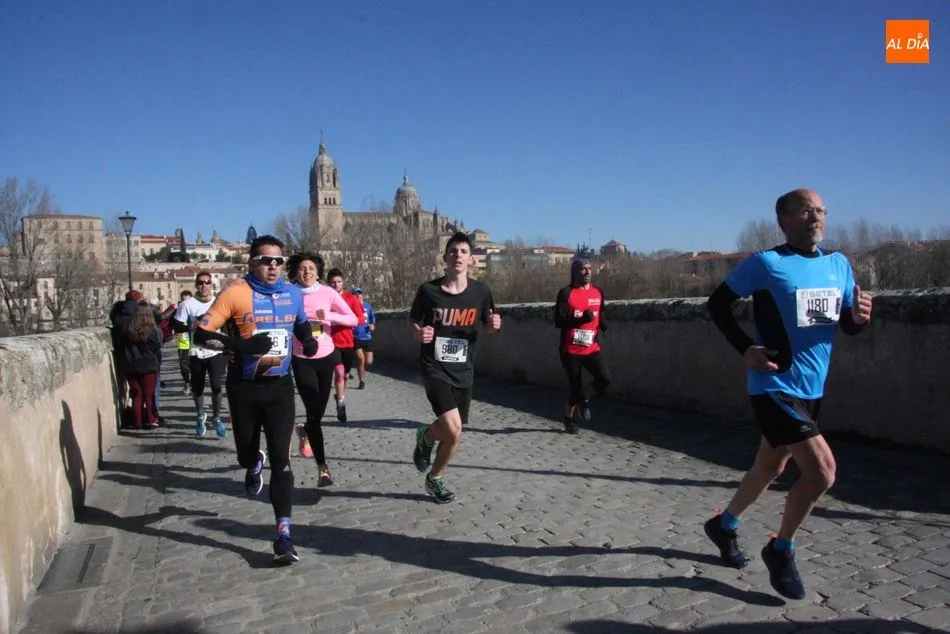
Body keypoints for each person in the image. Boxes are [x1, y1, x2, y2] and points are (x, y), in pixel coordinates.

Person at [703, 189, 873, 600]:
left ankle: (724, 525)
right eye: (805, 210)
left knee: (770, 466)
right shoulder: (767, 263)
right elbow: (718, 304)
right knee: (822, 472)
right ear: (783, 219)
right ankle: (781, 549)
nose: (815, 217)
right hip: (774, 386)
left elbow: (846, 324)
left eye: (820, 210)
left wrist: (858, 318)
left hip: (812, 389)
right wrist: (746, 348)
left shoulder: (838, 264)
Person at [195, 235, 318, 564]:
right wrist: (243, 346)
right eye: (266, 261)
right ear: (252, 263)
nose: (273, 266)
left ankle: (284, 535)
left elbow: (301, 325)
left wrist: (308, 342)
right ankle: (252, 461)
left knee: (283, 461)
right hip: (244, 388)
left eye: (279, 261)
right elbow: (201, 334)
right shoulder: (235, 293)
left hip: (280, 387)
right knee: (244, 455)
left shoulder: (292, 293)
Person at [410, 232, 502, 503]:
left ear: (471, 259)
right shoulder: (428, 291)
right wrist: (419, 333)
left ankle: (430, 456)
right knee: (453, 427)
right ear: (445, 258)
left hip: (464, 369)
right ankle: (435, 473)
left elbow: (489, 323)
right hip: (434, 367)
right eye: (453, 251)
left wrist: (494, 326)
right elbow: (414, 320)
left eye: (463, 252)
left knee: (453, 431)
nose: (458, 256)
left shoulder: (481, 292)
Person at [286, 253, 358, 486]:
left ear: (318, 271)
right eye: (302, 268)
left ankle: (305, 431)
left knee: (318, 411)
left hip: (326, 356)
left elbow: (353, 319)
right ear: (295, 272)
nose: (307, 272)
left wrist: (329, 316)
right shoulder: (289, 293)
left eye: (311, 268)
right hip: (302, 358)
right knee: (313, 413)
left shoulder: (327, 293)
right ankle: (322, 468)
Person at [553, 257, 611, 434]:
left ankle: (585, 398)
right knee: (574, 390)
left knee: (605, 379)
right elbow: (558, 321)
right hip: (571, 349)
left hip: (591, 347)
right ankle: (569, 419)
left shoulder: (598, 292)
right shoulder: (566, 293)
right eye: (583, 269)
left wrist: (602, 323)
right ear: (575, 272)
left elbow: (600, 312)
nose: (587, 272)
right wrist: (581, 320)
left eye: (589, 269)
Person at [173, 273, 228, 438]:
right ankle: (200, 415)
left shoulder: (219, 302)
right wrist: (190, 326)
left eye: (207, 282)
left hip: (216, 350)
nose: (204, 285)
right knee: (197, 387)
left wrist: (228, 345)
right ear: (196, 285)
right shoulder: (187, 304)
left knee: (217, 385)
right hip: (196, 351)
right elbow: (176, 326)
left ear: (212, 284)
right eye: (200, 283)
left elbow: (227, 325)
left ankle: (216, 418)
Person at [326, 268, 365, 422]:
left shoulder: (351, 298)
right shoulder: (324, 298)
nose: (336, 284)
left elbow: (361, 319)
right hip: (330, 342)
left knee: (346, 375)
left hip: (347, 342)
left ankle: (340, 396)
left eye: (339, 282)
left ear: (343, 282)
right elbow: (315, 318)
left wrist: (342, 320)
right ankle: (341, 404)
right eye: (332, 282)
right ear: (328, 283)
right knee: (339, 372)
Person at [117, 304, 163, 430]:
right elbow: (156, 347)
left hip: (131, 366)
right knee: (148, 395)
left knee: (136, 395)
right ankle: (150, 419)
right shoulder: (152, 331)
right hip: (148, 366)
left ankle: (137, 422)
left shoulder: (127, 330)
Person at [352, 287, 376, 390]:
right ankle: (362, 381)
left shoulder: (368, 306)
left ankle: (357, 364)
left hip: (367, 337)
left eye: (359, 293)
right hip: (355, 336)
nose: (358, 295)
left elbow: (372, 319)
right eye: (355, 293)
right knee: (361, 360)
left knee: (369, 361)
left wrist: (372, 325)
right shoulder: (350, 307)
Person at [175, 290, 194, 395]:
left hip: (195, 344)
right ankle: (187, 382)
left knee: (195, 367)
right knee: (184, 368)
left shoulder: (196, 312)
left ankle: (195, 384)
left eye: (187, 300)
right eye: (183, 300)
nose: (184, 303)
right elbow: (173, 326)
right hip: (183, 344)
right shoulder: (177, 313)